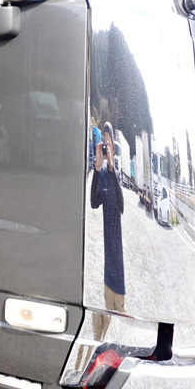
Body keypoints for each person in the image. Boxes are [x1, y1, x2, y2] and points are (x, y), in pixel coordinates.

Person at [90, 122, 126, 312]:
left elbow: (121, 205)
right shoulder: (102, 174)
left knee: (120, 309)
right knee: (107, 309)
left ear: (114, 147)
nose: (107, 147)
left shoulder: (116, 173)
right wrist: (97, 169)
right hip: (107, 257)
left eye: (109, 143)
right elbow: (94, 202)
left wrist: (111, 166)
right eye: (104, 143)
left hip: (118, 258)